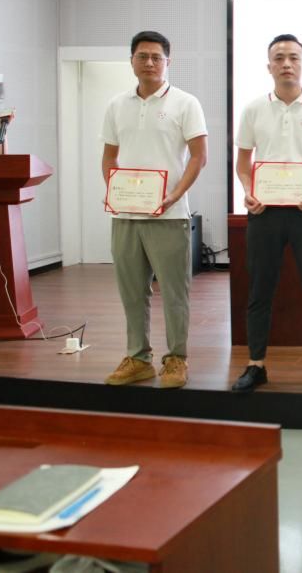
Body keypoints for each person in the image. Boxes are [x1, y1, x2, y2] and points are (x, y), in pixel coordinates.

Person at [232, 35, 302, 394]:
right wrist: (248, 190)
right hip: (264, 211)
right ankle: (256, 365)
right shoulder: (253, 109)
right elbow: (243, 163)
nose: (286, 64)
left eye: (293, 58)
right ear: (269, 66)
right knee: (259, 291)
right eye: (279, 58)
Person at [101, 30, 208, 389]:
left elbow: (199, 156)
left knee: (174, 292)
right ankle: (138, 358)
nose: (149, 62)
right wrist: (112, 191)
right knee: (132, 290)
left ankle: (176, 358)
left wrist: (175, 194)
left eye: (156, 57)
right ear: (131, 61)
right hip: (125, 215)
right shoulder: (117, 105)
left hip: (169, 214)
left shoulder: (185, 103)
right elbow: (109, 156)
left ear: (167, 62)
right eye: (142, 56)